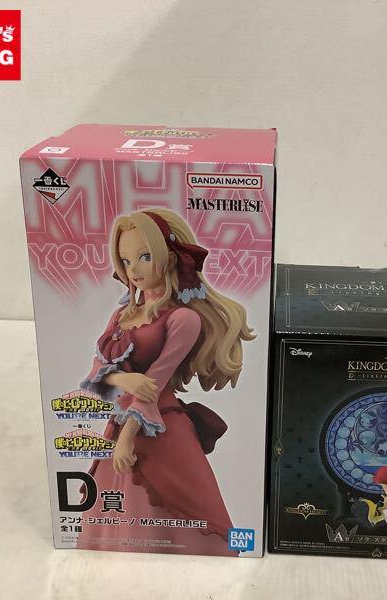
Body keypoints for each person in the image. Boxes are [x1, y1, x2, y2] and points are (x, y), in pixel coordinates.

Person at [75, 208, 254, 555]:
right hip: (119, 424)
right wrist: (124, 378)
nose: (134, 269)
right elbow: (97, 370)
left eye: (144, 257)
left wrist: (128, 435)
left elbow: (154, 384)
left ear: (170, 258)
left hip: (160, 428)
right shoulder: (122, 314)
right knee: (120, 507)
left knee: (174, 505)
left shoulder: (183, 319)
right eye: (126, 261)